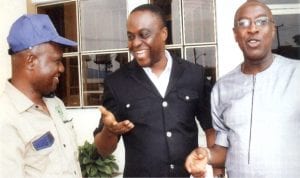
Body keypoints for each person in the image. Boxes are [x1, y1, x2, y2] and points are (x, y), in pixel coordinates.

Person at [94, 4, 219, 177]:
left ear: (164, 34)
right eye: (131, 37)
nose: (136, 43)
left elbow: (211, 128)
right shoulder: (117, 83)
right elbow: (103, 150)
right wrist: (110, 131)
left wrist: (217, 170)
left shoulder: (194, 75)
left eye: (144, 35)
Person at [185, 1, 300, 178]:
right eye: (243, 23)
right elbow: (223, 150)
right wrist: (206, 154)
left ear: (273, 29)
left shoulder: (296, 75)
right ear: (235, 34)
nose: (253, 29)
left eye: (262, 21)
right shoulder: (223, 88)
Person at [0, 14, 82, 178]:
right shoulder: (6, 117)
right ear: (31, 61)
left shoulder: (55, 104)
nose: (62, 69)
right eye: (56, 61)